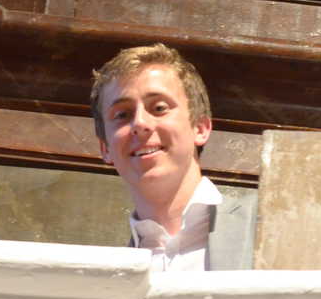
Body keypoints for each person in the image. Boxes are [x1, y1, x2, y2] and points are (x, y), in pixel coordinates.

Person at [91, 43, 254, 270]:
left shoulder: (266, 226)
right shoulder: (107, 277)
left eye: (159, 108)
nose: (140, 123)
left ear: (200, 128)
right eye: (122, 114)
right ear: (105, 148)